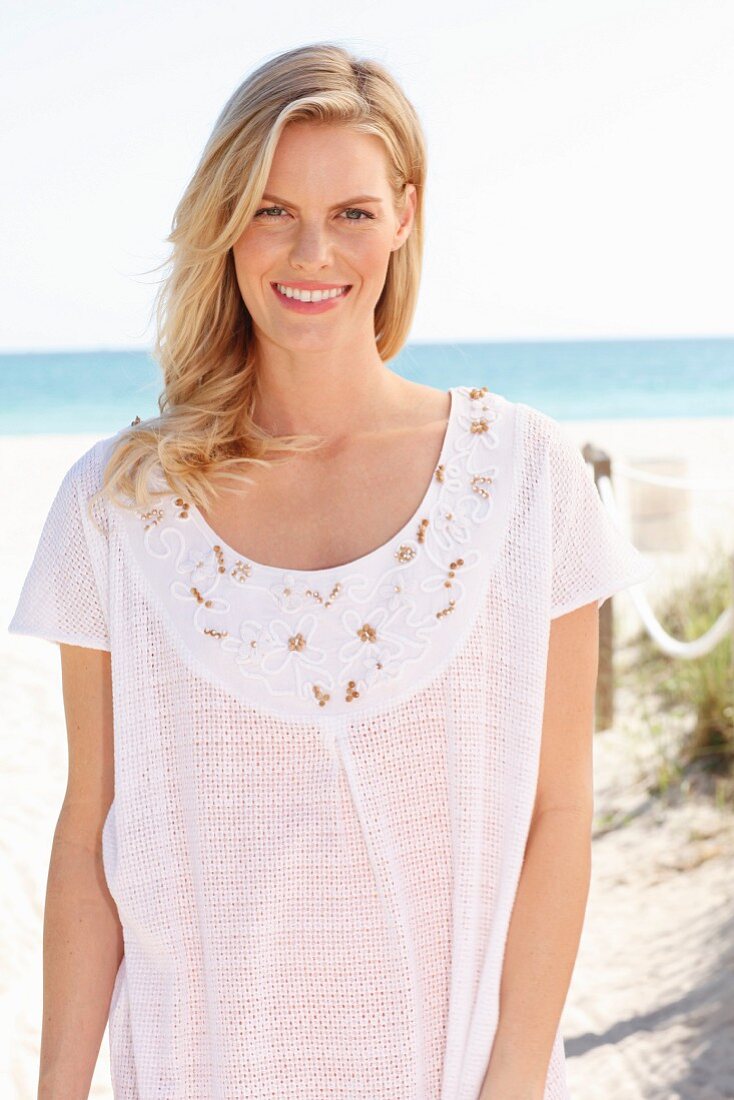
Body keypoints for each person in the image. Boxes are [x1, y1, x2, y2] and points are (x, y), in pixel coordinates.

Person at [8, 42, 655, 1100]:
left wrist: (511, 1084)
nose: (311, 251)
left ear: (404, 213)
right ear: (225, 220)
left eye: (350, 211)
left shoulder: (522, 479)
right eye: (271, 209)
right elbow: (89, 834)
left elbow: (555, 813)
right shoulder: (116, 502)